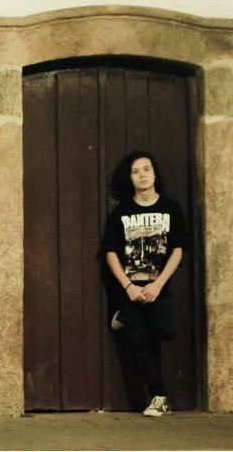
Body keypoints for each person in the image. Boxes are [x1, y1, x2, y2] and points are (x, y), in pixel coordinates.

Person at [102, 150, 187, 417]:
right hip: (130, 290)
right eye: (136, 171)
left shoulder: (171, 209)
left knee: (166, 330)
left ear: (155, 173)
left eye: (146, 169)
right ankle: (159, 395)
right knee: (138, 339)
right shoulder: (122, 213)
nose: (142, 175)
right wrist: (128, 287)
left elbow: (178, 250)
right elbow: (110, 253)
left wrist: (158, 285)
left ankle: (125, 318)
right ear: (130, 178)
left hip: (157, 287)